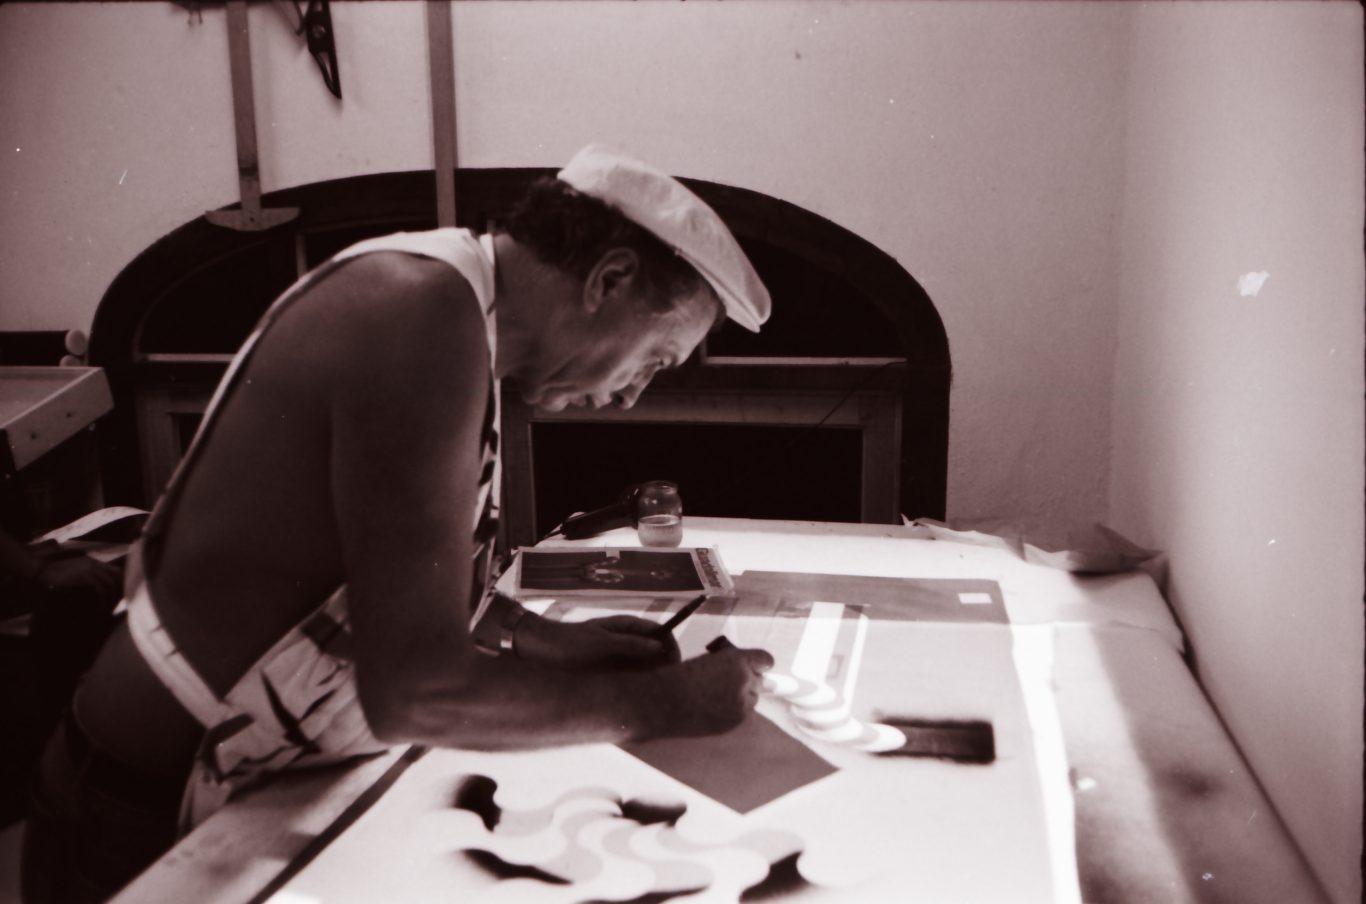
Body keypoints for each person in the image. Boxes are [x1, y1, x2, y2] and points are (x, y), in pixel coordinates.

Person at [20, 144, 776, 903]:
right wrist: (668, 704)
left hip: (191, 792)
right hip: (137, 820)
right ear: (608, 280)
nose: (630, 395)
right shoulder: (419, 313)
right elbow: (416, 695)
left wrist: (534, 634)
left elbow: (378, 568)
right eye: (652, 360)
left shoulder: (455, 311)